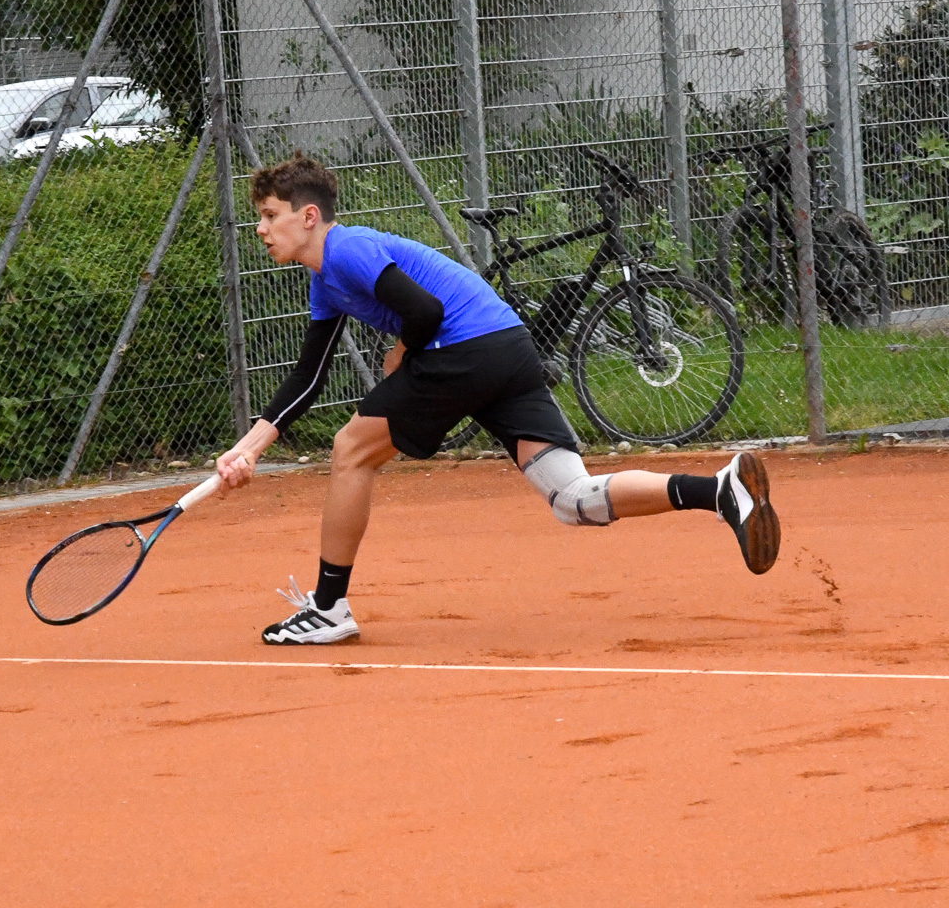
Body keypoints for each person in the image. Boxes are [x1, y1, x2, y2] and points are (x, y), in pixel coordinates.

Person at [214, 154, 781, 645]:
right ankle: (720, 490)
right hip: (506, 347)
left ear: (308, 216)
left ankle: (328, 607)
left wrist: (401, 352)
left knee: (350, 450)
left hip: (464, 348)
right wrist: (249, 449)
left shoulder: (347, 249)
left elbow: (426, 312)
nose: (261, 228)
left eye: (269, 215)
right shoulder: (326, 283)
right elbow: (308, 377)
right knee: (572, 499)